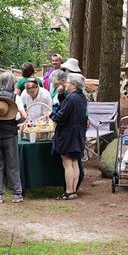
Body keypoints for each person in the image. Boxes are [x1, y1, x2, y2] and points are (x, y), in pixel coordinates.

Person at [0, 71, 23, 203]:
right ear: (13, 83)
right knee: (12, 164)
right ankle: (16, 194)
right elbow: (24, 115)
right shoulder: (15, 97)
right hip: (10, 134)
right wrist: (16, 121)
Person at [51, 72, 88, 200]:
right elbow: (66, 107)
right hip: (78, 132)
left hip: (68, 133)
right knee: (75, 161)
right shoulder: (81, 97)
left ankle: (68, 191)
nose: (65, 84)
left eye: (67, 83)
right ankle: (73, 190)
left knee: (67, 163)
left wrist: (51, 115)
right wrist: (61, 95)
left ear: (74, 85)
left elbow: (60, 116)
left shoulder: (71, 98)